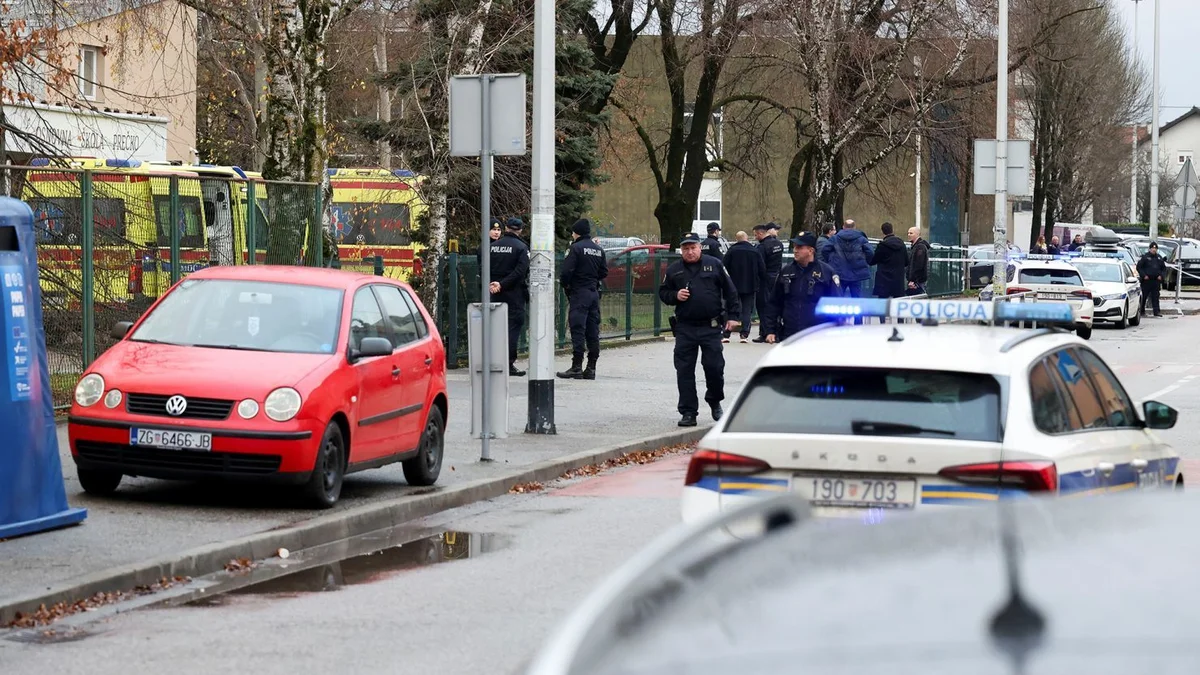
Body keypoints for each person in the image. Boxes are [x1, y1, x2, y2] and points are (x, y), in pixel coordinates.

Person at [658, 232, 740, 427]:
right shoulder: (674, 270)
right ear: (681, 250)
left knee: (714, 367)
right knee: (684, 370)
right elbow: (663, 292)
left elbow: (730, 291)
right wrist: (675, 295)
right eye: (685, 248)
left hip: (711, 327)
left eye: (693, 247)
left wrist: (734, 316)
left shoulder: (714, 264)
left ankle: (714, 400)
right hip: (685, 328)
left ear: (699, 247)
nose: (690, 251)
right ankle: (688, 411)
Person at [764, 233, 841, 342]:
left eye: (799, 247)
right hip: (790, 333)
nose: (795, 250)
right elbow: (774, 302)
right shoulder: (786, 271)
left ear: (811, 250)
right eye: (795, 247)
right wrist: (770, 330)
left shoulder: (826, 272)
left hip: (818, 333)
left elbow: (836, 303)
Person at [558, 218, 608, 379]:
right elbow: (604, 272)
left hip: (579, 293)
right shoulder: (598, 249)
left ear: (576, 232)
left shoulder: (576, 248)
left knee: (578, 328)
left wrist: (567, 285)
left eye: (573, 232)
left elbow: (566, 273)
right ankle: (591, 367)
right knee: (593, 330)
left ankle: (576, 366)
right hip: (593, 292)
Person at [487, 217, 531, 376]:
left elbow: (485, 267)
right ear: (520, 230)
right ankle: (508, 363)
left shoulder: (493, 246)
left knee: (496, 328)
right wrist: (503, 284)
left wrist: (494, 284)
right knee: (513, 328)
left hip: (494, 292)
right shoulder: (522, 247)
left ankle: (493, 361)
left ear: (505, 228)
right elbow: (520, 272)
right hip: (514, 293)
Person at [720, 230, 765, 343]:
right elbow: (762, 269)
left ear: (736, 239)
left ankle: (726, 334)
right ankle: (744, 334)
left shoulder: (731, 251)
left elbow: (724, 267)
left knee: (730, 308)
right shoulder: (754, 251)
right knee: (747, 309)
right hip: (750, 285)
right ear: (747, 238)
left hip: (732, 285)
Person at [751, 223, 784, 342]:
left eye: (755, 235)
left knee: (763, 306)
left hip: (765, 279)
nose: (755, 237)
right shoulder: (779, 244)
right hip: (777, 276)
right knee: (776, 304)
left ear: (760, 233)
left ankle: (765, 333)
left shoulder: (761, 247)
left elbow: (760, 266)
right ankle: (777, 332)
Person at [825, 218, 873, 298]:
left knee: (838, 297)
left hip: (840, 272)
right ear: (854, 227)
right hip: (857, 273)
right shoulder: (861, 239)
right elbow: (870, 252)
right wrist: (865, 262)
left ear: (843, 227)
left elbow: (825, 250)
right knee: (856, 298)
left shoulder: (835, 238)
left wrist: (831, 262)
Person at [869, 222, 908, 299]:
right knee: (898, 301)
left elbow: (873, 260)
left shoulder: (882, 246)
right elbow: (906, 261)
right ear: (892, 230)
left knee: (883, 302)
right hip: (898, 278)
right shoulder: (902, 244)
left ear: (883, 231)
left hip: (884, 279)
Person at [1137, 241, 1166, 317]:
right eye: (1152, 248)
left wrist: (1161, 276)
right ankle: (1141, 311)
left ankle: (1156, 312)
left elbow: (1164, 269)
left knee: (1156, 297)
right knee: (1144, 297)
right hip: (1147, 281)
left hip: (1156, 281)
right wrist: (1144, 275)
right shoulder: (1145, 257)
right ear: (1149, 249)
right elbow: (1139, 267)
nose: (1154, 249)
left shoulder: (1159, 258)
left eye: (1155, 248)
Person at [906, 226, 930, 296]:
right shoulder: (915, 247)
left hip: (918, 281)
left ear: (917, 234)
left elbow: (919, 265)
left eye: (911, 233)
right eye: (908, 233)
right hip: (916, 281)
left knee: (918, 299)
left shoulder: (920, 247)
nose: (909, 235)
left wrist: (913, 280)